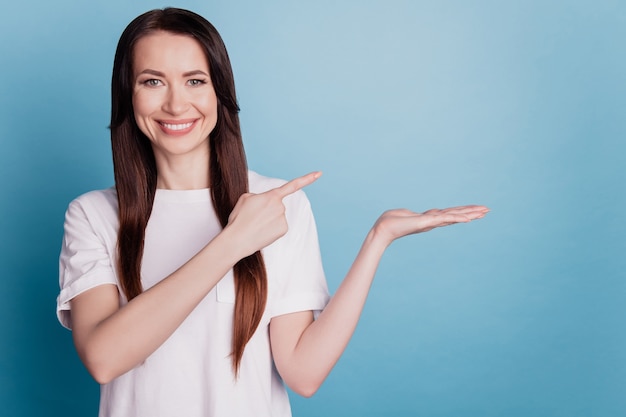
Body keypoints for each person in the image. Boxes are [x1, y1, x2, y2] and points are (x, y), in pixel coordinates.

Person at [56, 7, 489, 417]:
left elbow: (303, 373)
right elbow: (104, 359)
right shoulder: (93, 215)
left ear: (220, 91)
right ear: (127, 95)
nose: (175, 104)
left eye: (195, 81)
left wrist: (378, 240)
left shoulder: (277, 206)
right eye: (152, 82)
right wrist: (231, 244)